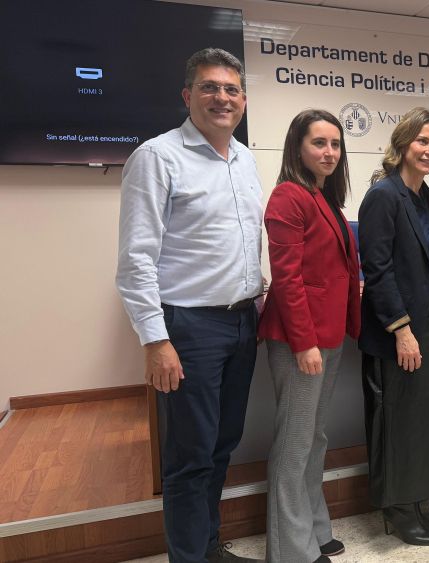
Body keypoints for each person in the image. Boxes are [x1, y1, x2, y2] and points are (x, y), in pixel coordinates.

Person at [116, 48, 263, 563]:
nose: (222, 97)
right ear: (187, 95)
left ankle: (207, 547)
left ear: (243, 100)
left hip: (242, 322)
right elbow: (136, 260)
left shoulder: (245, 158)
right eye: (209, 87)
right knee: (189, 456)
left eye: (231, 89)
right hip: (189, 328)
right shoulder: (157, 157)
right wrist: (156, 340)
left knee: (222, 446)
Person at [257, 110, 360, 562]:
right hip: (301, 340)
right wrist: (303, 343)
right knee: (294, 444)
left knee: (314, 438)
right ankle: (289, 550)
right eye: (319, 143)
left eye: (335, 144)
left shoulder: (324, 197)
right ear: (297, 148)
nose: (329, 152)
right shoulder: (288, 195)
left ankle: (315, 529)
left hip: (328, 336)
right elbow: (287, 278)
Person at [357, 107, 429, 546]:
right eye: (422, 141)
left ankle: (413, 501)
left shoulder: (424, 196)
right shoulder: (383, 195)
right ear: (402, 144)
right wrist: (402, 330)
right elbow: (377, 270)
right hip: (396, 332)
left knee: (419, 419)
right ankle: (395, 509)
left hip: (425, 323)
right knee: (395, 421)